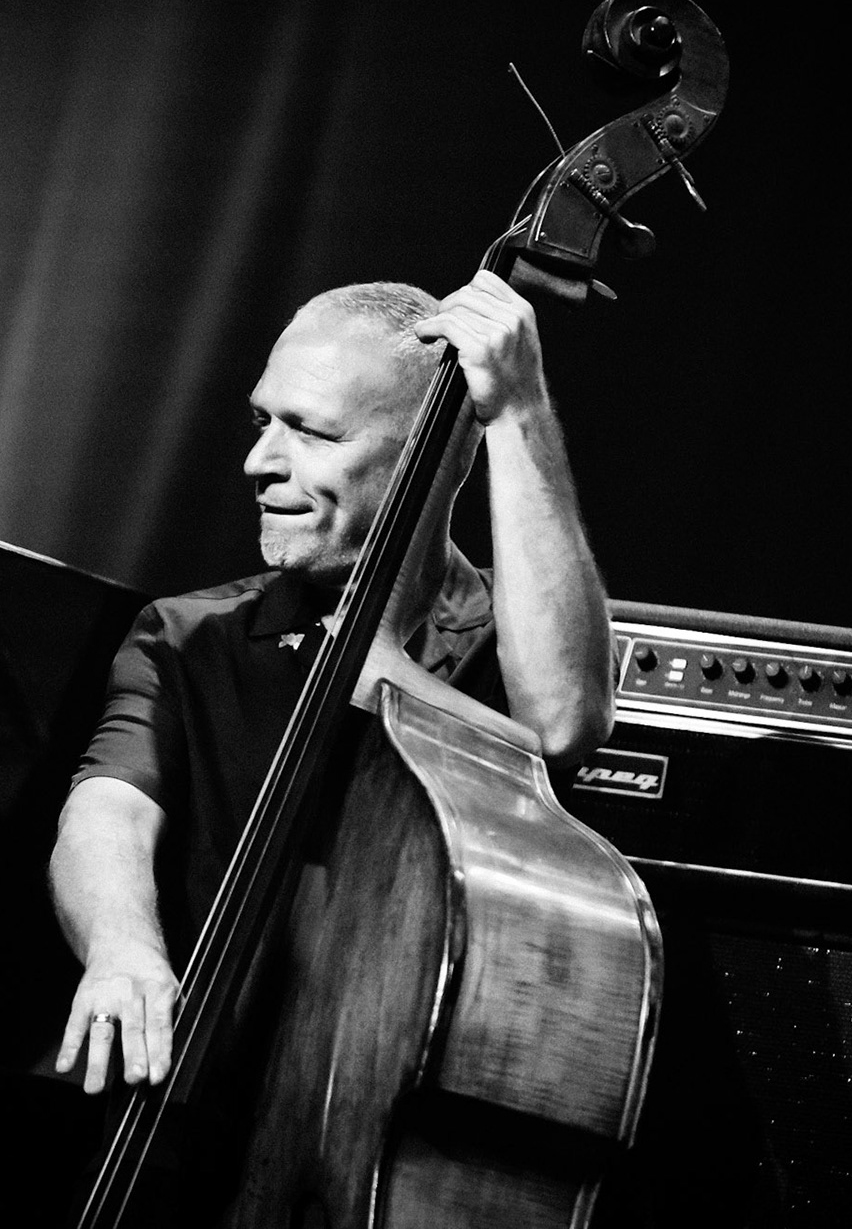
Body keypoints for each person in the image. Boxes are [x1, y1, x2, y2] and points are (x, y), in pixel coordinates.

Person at [48, 268, 614, 1098]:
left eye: (311, 432)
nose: (257, 461)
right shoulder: (187, 636)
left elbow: (562, 729)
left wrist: (517, 412)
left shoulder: (516, 643)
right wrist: (122, 946)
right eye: (260, 420)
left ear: (440, 450)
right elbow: (108, 810)